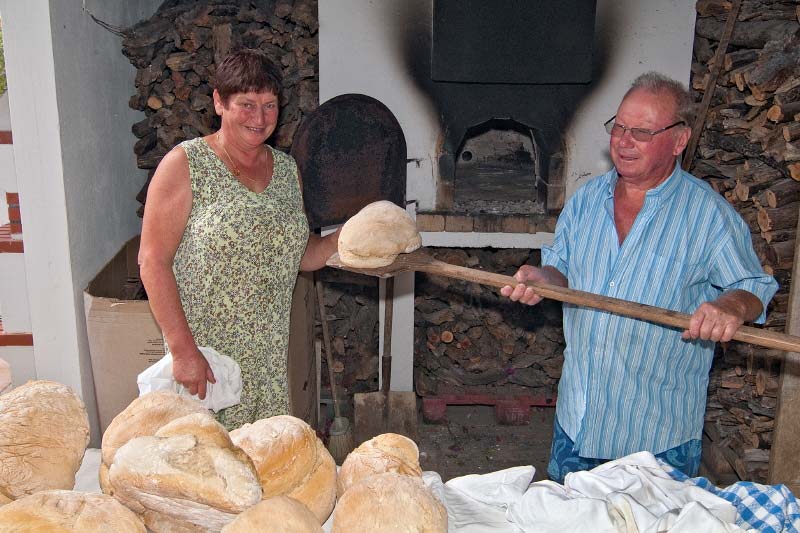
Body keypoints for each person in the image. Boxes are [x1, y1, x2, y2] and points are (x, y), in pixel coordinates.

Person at [501, 72, 778, 482]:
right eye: (620, 127)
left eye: (642, 132)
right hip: (578, 422)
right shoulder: (587, 201)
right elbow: (562, 272)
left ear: (679, 140)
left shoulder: (708, 216)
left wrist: (729, 306)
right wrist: (540, 277)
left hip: (656, 438)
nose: (623, 141)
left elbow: (755, 287)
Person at [139, 49, 339, 429]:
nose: (259, 118)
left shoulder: (286, 170)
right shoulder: (186, 164)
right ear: (219, 102)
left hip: (267, 359)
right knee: (205, 467)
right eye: (246, 104)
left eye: (269, 105)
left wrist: (350, 237)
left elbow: (301, 255)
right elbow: (152, 261)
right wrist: (183, 351)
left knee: (262, 466)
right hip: (208, 362)